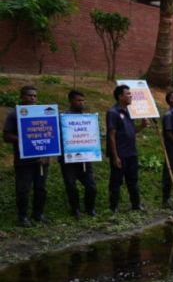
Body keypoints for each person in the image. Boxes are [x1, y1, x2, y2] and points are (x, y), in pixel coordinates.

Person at [3, 86, 49, 226]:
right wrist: (24, 139)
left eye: (35, 96)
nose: (33, 98)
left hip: (42, 160)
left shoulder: (44, 113)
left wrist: (48, 154)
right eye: (29, 96)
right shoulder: (14, 115)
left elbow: (49, 135)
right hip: (24, 161)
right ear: (22, 97)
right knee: (23, 189)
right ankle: (22, 217)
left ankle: (38, 214)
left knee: (41, 188)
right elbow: (6, 136)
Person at [107, 84, 148, 212]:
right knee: (116, 182)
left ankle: (136, 205)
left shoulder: (130, 111)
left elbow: (130, 131)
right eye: (128, 94)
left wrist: (141, 126)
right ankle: (114, 207)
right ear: (120, 96)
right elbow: (111, 135)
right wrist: (115, 156)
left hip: (131, 153)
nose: (131, 96)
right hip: (120, 154)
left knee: (133, 180)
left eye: (131, 94)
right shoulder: (113, 112)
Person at [58, 90, 98, 218]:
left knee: (91, 186)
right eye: (78, 100)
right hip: (68, 159)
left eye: (83, 100)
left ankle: (90, 209)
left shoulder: (87, 118)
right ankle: (75, 210)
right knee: (71, 186)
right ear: (71, 101)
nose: (82, 103)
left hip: (85, 159)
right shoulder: (63, 117)